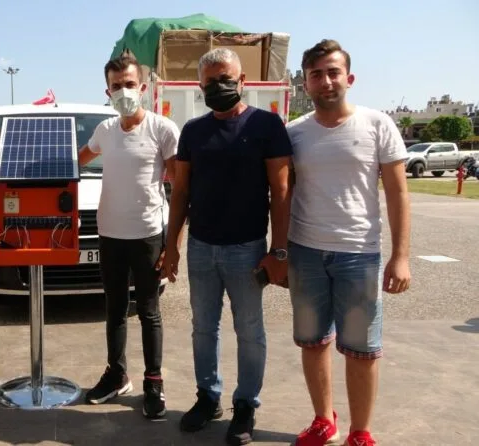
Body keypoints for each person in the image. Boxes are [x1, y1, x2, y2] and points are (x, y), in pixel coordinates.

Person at [163, 48, 293, 445]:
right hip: (201, 248)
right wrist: (172, 246)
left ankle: (246, 404)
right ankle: (208, 397)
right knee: (203, 328)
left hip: (247, 250)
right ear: (200, 86)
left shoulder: (267, 125)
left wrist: (279, 251)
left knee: (249, 330)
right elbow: (180, 192)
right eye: (211, 81)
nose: (219, 86)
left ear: (242, 81)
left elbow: (281, 192)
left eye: (226, 79)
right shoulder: (193, 131)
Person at [286, 39, 410, 446]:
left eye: (333, 72)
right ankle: (324, 420)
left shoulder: (377, 125)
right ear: (305, 83)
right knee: (312, 342)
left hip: (359, 255)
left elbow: (397, 193)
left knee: (361, 348)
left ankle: (360, 432)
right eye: (316, 75)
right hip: (305, 253)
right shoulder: (294, 133)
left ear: (349, 78)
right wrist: (280, 251)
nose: (326, 81)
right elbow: (282, 193)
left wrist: (401, 256)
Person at [77, 50, 179, 419]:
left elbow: (179, 188)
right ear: (107, 91)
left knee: (149, 312)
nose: (123, 91)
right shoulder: (105, 131)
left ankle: (154, 381)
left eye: (130, 84)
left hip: (148, 235)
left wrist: (173, 244)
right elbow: (78, 158)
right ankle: (117, 375)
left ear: (144, 87)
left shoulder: (163, 129)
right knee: (115, 309)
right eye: (116, 86)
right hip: (110, 235)